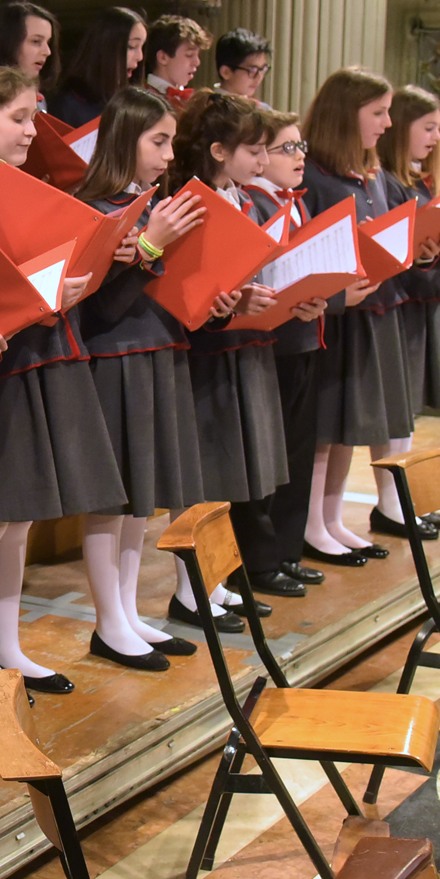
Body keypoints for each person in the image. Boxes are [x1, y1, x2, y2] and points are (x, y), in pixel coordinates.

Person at [0, 66, 125, 688]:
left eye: (34, 116)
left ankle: (6, 644)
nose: (30, 130)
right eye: (18, 118)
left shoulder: (19, 187)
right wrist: (40, 293)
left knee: (18, 518)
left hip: (32, 354)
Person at [72, 88, 208, 669]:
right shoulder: (95, 206)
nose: (169, 154)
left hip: (157, 350)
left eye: (172, 141)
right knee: (112, 500)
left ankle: (128, 615)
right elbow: (98, 309)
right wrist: (151, 243)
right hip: (114, 357)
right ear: (126, 139)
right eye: (159, 141)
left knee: (140, 502)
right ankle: (109, 623)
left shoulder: (151, 202)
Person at [168, 93, 309, 602]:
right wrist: (227, 301)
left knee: (236, 468)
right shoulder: (191, 198)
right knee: (205, 470)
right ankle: (192, 589)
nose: (261, 160)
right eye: (253, 149)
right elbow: (185, 288)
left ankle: (219, 577)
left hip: (245, 342)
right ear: (220, 151)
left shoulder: (242, 198)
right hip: (205, 354)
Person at [299, 68, 407, 566]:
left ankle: (332, 517)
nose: (387, 123)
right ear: (347, 115)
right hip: (332, 313)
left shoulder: (371, 173)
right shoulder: (317, 177)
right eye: (377, 113)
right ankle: (310, 524)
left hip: (370, 307)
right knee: (325, 423)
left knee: (349, 422)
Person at [372, 86, 440, 537]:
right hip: (402, 299)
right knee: (395, 406)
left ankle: (400, 498)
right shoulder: (388, 181)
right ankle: (390, 502)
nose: (436, 138)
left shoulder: (419, 178)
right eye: (427, 127)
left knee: (408, 409)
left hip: (426, 295)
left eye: (439, 128)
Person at [247, 111, 329, 590]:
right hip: (273, 340)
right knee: (270, 458)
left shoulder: (295, 201)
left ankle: (286, 549)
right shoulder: (257, 204)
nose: (299, 158)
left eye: (301, 147)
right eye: (286, 149)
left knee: (297, 452)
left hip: (304, 338)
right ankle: (260, 561)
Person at [54, 7, 147, 127]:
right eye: (132, 46)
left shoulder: (135, 102)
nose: (140, 57)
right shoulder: (68, 105)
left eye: (142, 47)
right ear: (106, 49)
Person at [0, 0, 61, 111]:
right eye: (36, 41)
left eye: (48, 43)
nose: (47, 51)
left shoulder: (39, 100)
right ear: (9, 42)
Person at [142, 16, 212, 106]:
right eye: (189, 55)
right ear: (163, 57)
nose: (197, 62)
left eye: (197, 55)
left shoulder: (194, 101)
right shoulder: (143, 102)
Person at [212, 29, 272, 105]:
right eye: (252, 70)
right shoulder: (207, 108)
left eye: (263, 69)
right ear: (226, 72)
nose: (259, 78)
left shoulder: (261, 109)